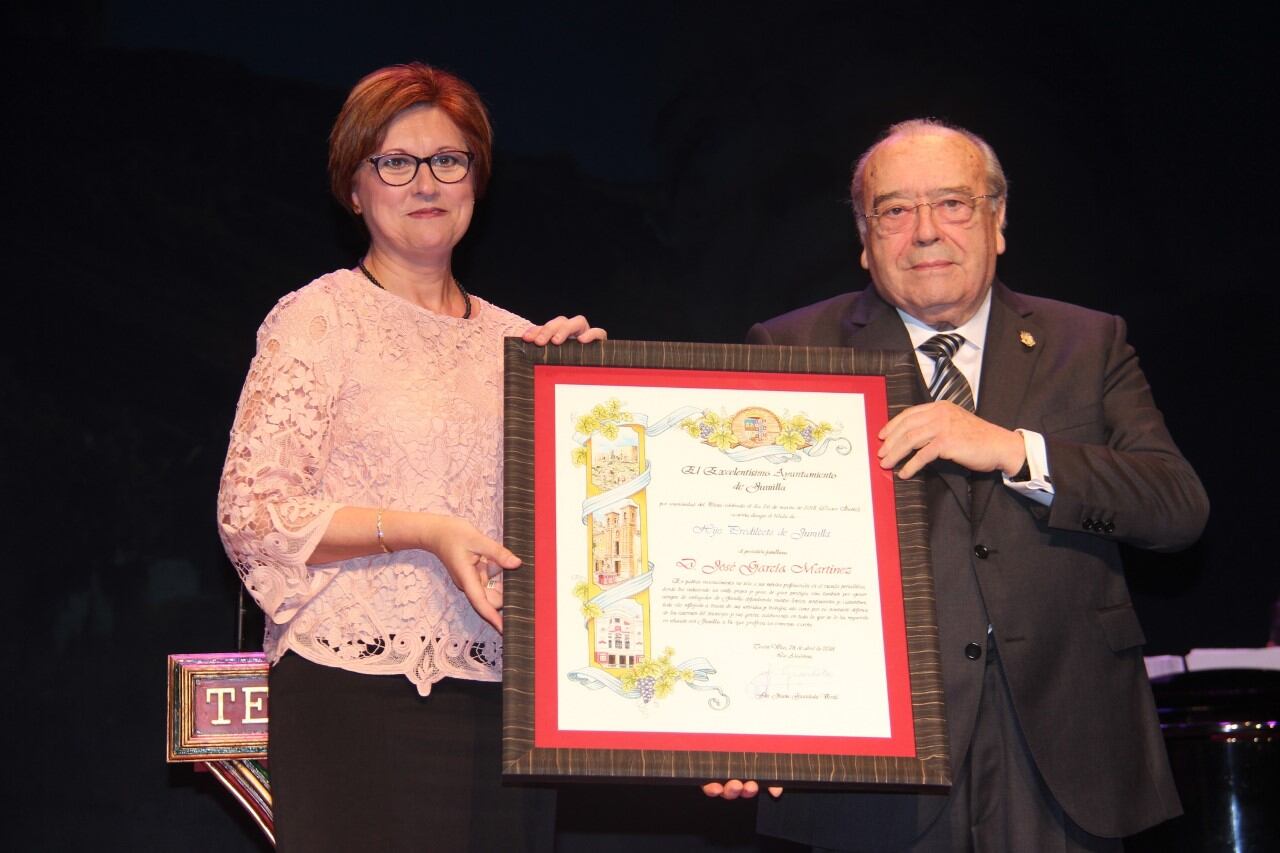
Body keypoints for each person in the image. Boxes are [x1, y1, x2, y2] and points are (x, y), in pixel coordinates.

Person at [705, 119, 1209, 851]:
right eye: (896, 210)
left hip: (1066, 748)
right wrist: (736, 711)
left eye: (952, 203)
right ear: (865, 236)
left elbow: (1176, 505)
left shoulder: (1087, 342)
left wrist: (1013, 449)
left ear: (998, 221)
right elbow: (738, 544)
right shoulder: (790, 348)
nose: (925, 232)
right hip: (875, 754)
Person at [217, 62, 604, 852]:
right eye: (395, 162)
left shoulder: (525, 344)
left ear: (476, 180)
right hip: (354, 694)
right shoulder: (316, 321)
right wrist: (422, 529)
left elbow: (583, 539)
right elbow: (252, 514)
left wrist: (598, 402)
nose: (425, 181)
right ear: (354, 188)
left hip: (510, 701)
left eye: (449, 160)